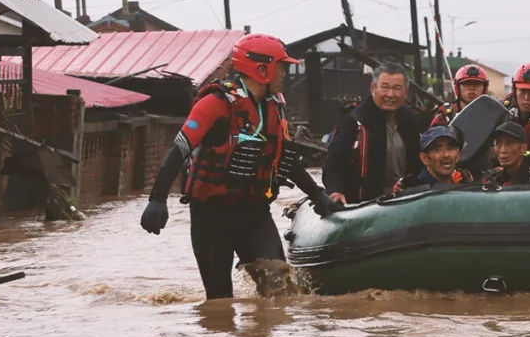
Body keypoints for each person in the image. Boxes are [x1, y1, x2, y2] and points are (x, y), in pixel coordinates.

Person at [139, 33, 338, 300]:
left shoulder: (274, 106)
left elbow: (282, 158)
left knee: (280, 289)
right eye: (282, 66)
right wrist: (158, 199)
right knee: (220, 303)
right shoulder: (215, 103)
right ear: (262, 69)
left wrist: (317, 194)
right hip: (210, 217)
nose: (284, 74)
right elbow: (178, 150)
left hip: (255, 214)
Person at [323, 62, 422, 205]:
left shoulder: (410, 120)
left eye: (397, 88)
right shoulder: (353, 121)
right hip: (366, 204)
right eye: (385, 87)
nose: (390, 94)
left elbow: (421, 162)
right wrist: (335, 190)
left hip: (406, 198)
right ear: (373, 88)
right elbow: (332, 163)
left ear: (406, 91)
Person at [391, 126, 474, 194]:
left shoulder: (465, 181)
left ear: (458, 155)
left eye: (450, 148)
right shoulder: (412, 191)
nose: (446, 154)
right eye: (437, 149)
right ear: (425, 158)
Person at [482, 122, 530, 186]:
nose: (503, 150)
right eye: (498, 143)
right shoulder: (493, 176)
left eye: (510, 143)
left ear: (523, 149)